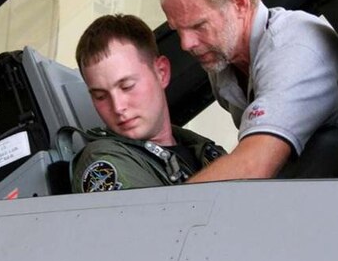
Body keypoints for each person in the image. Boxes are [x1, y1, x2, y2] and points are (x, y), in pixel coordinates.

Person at [156, 0, 338, 181]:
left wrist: (164, 212)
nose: (186, 44)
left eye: (198, 26)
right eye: (178, 31)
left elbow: (252, 166)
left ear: (239, 3)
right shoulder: (222, 60)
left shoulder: (295, 49)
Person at [69, 14, 226, 193]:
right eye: (100, 96)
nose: (118, 107)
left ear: (162, 72)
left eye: (127, 87)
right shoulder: (103, 163)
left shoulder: (200, 149)